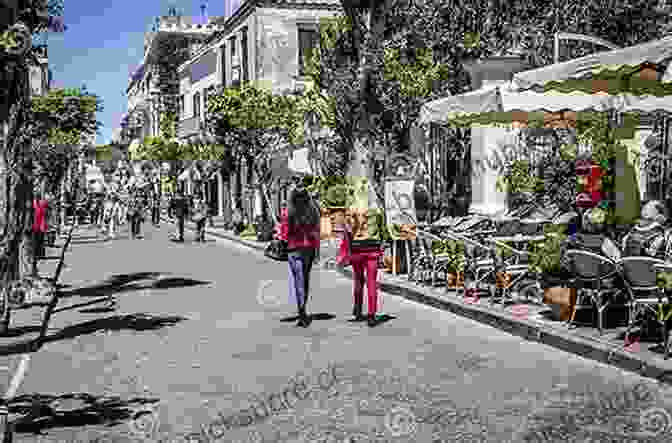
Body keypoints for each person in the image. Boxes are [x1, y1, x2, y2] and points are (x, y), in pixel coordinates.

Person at [278, 186, 321, 327]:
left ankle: (301, 310)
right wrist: (317, 250)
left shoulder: (288, 212)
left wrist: (280, 238)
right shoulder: (313, 212)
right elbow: (316, 232)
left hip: (293, 249)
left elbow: (284, 235)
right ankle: (303, 307)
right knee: (305, 279)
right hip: (308, 248)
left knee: (298, 280)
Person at [32, 190, 49, 276]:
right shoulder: (38, 204)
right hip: (37, 225)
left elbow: (45, 213)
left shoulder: (40, 204)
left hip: (39, 225)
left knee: (39, 241)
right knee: (38, 241)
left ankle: (40, 254)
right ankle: (39, 254)